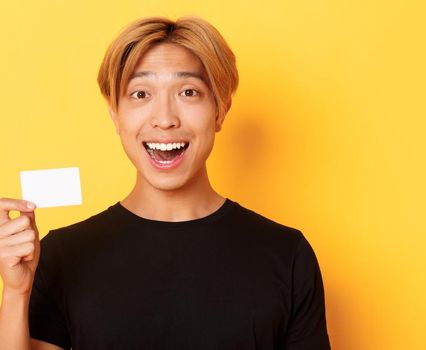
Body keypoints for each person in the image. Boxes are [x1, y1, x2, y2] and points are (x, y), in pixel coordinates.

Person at [0, 16, 331, 350]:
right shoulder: (61, 255)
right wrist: (15, 293)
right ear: (115, 113)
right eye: (141, 94)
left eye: (188, 92)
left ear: (220, 109)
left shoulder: (287, 255)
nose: (164, 119)